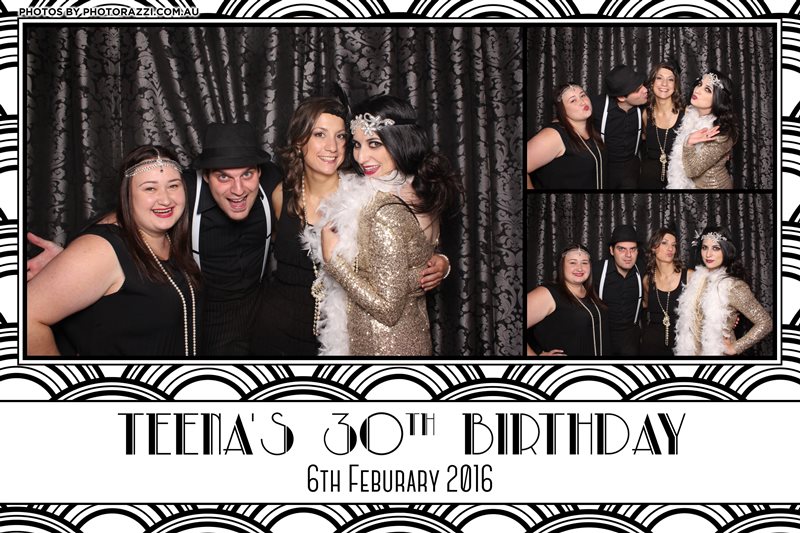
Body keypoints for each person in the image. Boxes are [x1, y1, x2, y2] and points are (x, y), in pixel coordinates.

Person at [27, 122, 283, 356]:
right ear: (205, 176)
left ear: (259, 172)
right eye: (223, 176)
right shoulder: (181, 192)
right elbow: (125, 216)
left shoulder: (271, 180)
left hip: (254, 312)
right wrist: (72, 256)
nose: (238, 189)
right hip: (206, 319)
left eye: (247, 174)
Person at [249, 96, 450, 356]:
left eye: (341, 136)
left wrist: (441, 262)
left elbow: (409, 245)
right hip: (277, 332)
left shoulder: (369, 191)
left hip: (344, 338)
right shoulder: (279, 194)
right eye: (320, 134)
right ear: (299, 141)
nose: (332, 147)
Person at [304, 95, 461, 355]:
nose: (361, 157)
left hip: (382, 346)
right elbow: (412, 258)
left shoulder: (386, 209)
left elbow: (388, 307)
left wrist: (334, 262)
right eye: (357, 144)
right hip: (409, 336)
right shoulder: (419, 188)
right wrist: (441, 263)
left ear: (400, 141)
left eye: (374, 144)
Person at [27, 145, 203, 356]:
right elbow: (26, 315)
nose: (166, 199)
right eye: (150, 188)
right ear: (127, 194)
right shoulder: (100, 249)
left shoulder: (169, 237)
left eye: (173, 186)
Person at [673, 226, 772, 355]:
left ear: (725, 250)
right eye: (705, 248)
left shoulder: (733, 286)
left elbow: (765, 322)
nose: (708, 254)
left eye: (716, 248)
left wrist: (735, 347)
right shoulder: (697, 279)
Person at [527, 244, 610, 356]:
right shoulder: (547, 293)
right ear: (562, 266)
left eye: (584, 263)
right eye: (572, 263)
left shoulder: (590, 293)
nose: (579, 268)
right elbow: (512, 327)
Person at [666, 70, 737, 189]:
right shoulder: (690, 114)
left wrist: (689, 143)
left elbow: (691, 171)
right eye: (699, 84)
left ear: (718, 98)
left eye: (707, 89)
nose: (697, 90)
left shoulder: (720, 133)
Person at [527, 83, 606, 189]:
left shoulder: (591, 128)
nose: (582, 102)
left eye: (582, 95)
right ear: (562, 109)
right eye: (573, 100)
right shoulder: (552, 135)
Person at [591, 65, 648, 189]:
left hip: (631, 167)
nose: (645, 90)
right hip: (604, 167)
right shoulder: (596, 106)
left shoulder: (645, 105)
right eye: (637, 90)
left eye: (642, 85)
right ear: (621, 97)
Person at [593, 224, 643, 356]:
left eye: (632, 249)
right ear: (611, 250)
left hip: (631, 341)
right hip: (601, 338)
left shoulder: (642, 271)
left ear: (637, 251)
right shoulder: (595, 271)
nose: (628, 255)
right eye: (621, 249)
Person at [640, 228, 691, 356]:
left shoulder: (689, 276)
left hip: (682, 346)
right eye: (664, 243)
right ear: (653, 248)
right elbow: (645, 304)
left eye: (673, 245)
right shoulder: (647, 280)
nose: (670, 248)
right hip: (651, 346)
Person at [640, 62, 684, 189]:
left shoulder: (686, 114)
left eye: (670, 80)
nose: (664, 84)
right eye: (659, 78)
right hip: (649, 180)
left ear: (675, 86)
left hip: (678, 180)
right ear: (652, 83)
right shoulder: (645, 114)